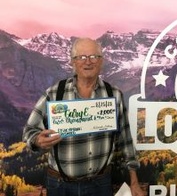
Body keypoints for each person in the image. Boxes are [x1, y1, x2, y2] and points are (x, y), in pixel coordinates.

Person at [22, 37, 145, 196]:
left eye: (94, 57)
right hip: (60, 185)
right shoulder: (54, 93)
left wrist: (134, 181)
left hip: (100, 184)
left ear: (101, 61)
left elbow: (126, 140)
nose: (88, 62)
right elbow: (29, 131)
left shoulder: (113, 94)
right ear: (73, 62)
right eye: (81, 57)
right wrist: (37, 140)